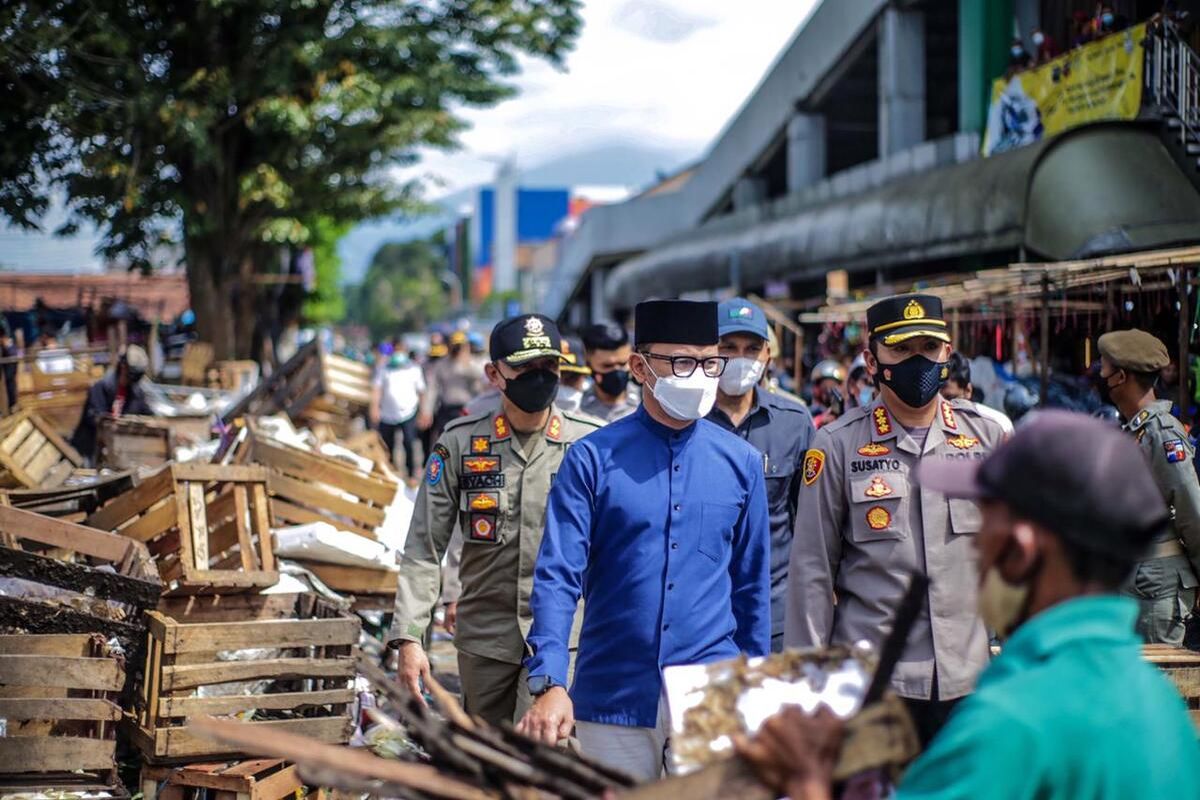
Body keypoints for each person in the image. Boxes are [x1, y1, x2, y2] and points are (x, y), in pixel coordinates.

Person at [740, 411, 1200, 800]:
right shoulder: (1157, 701)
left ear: (1019, 552)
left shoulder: (1007, 725)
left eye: (983, 528)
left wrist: (809, 784)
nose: (972, 549)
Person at [518, 299, 771, 781]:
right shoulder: (591, 460)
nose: (696, 375)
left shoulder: (740, 464)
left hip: (711, 690)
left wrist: (755, 684)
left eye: (708, 362)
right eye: (680, 362)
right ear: (639, 366)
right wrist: (550, 680)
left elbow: (751, 589)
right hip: (613, 689)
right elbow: (557, 577)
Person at [784, 294, 1006, 746]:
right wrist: (809, 690)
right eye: (901, 350)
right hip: (874, 688)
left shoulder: (988, 439)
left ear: (947, 352)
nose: (917, 361)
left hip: (971, 682)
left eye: (928, 347)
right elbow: (812, 572)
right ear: (872, 359)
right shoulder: (837, 446)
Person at [389, 315, 601, 727]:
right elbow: (424, 546)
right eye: (524, 368)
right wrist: (410, 637)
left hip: (566, 640)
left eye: (549, 367)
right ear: (495, 374)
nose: (539, 378)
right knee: (487, 763)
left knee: (545, 763)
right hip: (485, 641)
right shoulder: (460, 443)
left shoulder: (591, 444)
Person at [707, 298, 815, 652]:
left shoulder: (794, 422)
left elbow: (809, 523)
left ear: (768, 355)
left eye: (752, 348)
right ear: (710, 352)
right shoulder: (685, 421)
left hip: (775, 616)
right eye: (728, 347)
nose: (740, 358)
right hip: (702, 616)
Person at [1096, 329, 1200, 645]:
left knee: (1161, 686)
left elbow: (1190, 508)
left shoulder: (1162, 433)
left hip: (1158, 587)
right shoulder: (1134, 431)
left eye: (1104, 367)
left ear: (1121, 377)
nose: (1100, 375)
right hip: (1135, 580)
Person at [70, 345, 154, 463]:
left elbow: (149, 415)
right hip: (91, 450)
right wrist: (110, 422)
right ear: (123, 366)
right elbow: (94, 418)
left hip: (119, 450)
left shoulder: (136, 393)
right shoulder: (100, 387)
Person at [369, 348, 427, 485]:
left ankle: (412, 473)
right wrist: (374, 407)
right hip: (387, 413)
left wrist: (424, 412)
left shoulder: (414, 369)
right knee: (387, 444)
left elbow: (422, 392)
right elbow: (377, 390)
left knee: (409, 442)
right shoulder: (383, 369)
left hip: (409, 412)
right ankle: (389, 471)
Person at [420, 330, 485, 443]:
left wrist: (465, 361)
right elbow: (432, 389)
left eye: (460, 346)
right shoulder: (441, 364)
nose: (456, 348)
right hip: (447, 409)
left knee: (468, 444)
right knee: (446, 443)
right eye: (455, 345)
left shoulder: (474, 363)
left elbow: (481, 378)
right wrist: (427, 411)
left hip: (468, 409)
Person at [940, 352, 1014, 434]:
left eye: (950, 399)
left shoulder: (998, 426)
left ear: (968, 391)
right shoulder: (929, 428)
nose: (943, 407)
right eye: (936, 400)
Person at [579, 322, 637, 422]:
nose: (617, 371)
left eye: (623, 364)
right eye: (607, 366)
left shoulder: (648, 402)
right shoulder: (577, 406)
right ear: (588, 363)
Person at [556, 335, 591, 413]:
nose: (562, 386)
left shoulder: (598, 424)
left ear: (584, 379)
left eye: (572, 378)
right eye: (555, 380)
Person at [808, 360, 846, 428]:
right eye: (824, 385)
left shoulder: (848, 412)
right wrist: (820, 421)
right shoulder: (810, 413)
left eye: (833, 385)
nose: (829, 390)